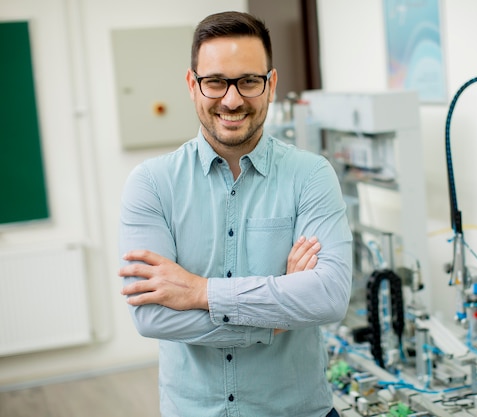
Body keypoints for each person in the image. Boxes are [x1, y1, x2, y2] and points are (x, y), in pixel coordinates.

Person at [118, 10, 353, 417]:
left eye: (248, 81)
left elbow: (329, 297)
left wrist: (199, 292)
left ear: (271, 84)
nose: (232, 99)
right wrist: (278, 314)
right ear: (192, 85)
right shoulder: (151, 184)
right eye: (215, 82)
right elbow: (152, 316)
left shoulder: (311, 176)